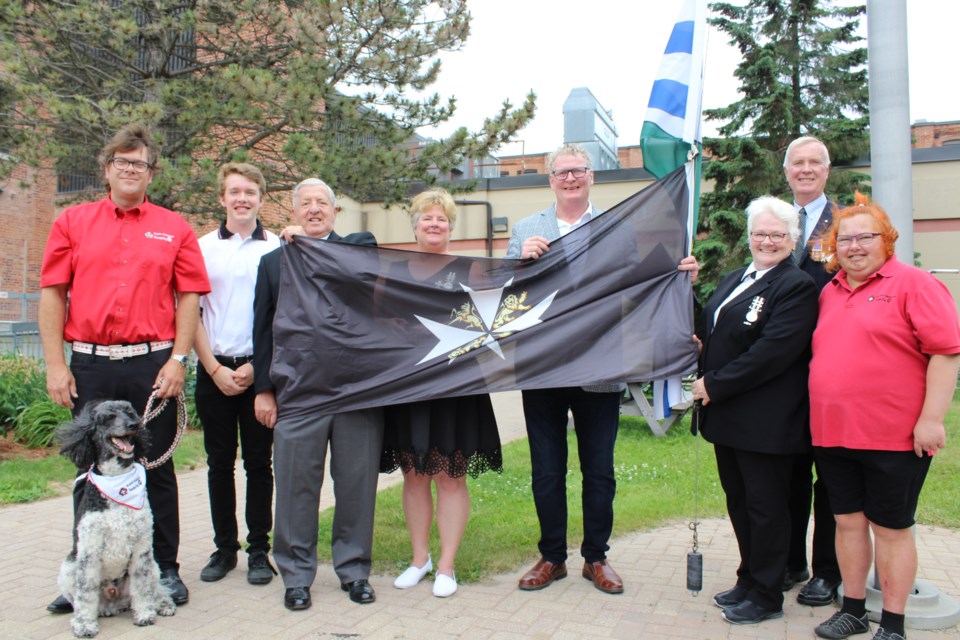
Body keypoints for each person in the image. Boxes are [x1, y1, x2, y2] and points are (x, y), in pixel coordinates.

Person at [505, 142, 698, 594]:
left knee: (599, 470)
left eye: (578, 171)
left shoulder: (615, 228)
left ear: (592, 177)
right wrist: (519, 263)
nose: (570, 178)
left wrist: (678, 273)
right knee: (547, 470)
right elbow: (508, 297)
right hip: (543, 367)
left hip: (599, 365)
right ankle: (552, 557)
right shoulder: (525, 229)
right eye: (562, 172)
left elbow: (636, 287)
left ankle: (596, 557)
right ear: (549, 179)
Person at [40, 124, 210, 612]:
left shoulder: (173, 227)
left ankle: (166, 571)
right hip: (91, 365)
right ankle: (82, 576)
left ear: (151, 172)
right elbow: (53, 293)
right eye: (122, 161)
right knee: (89, 472)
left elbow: (190, 296)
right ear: (107, 169)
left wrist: (179, 359)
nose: (131, 170)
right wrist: (56, 363)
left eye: (140, 163)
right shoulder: (71, 223)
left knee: (154, 467)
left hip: (152, 365)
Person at [809, 194, 960, 640]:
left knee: (891, 529)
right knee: (848, 522)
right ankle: (853, 609)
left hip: (894, 436)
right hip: (833, 433)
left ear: (887, 240)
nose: (855, 246)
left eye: (865, 237)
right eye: (846, 239)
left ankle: (893, 623)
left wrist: (932, 419)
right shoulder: (830, 291)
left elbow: (945, 353)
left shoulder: (914, 284)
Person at [253, 178, 384, 611]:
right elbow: (264, 331)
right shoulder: (273, 264)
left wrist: (311, 248)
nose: (313, 209)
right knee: (295, 488)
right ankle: (296, 575)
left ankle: (354, 570)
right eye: (305, 203)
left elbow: (367, 243)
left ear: (333, 212)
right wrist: (264, 390)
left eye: (321, 203)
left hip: (355, 392)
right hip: (298, 395)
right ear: (293, 213)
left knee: (356, 486)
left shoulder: (356, 251)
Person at [691, 196, 819, 625]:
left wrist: (714, 383)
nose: (767, 241)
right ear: (750, 237)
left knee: (767, 509)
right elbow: (715, 328)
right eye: (760, 233)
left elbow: (772, 353)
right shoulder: (735, 278)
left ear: (793, 239)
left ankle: (767, 594)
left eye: (777, 235)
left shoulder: (796, 286)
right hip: (728, 418)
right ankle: (748, 578)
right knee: (741, 503)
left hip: (766, 420)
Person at [380, 188, 503, 598]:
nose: (434, 224)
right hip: (408, 385)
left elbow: (495, 315)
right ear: (414, 225)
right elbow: (376, 317)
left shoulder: (472, 268)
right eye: (426, 218)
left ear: (451, 226)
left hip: (456, 387)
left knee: (450, 476)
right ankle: (420, 559)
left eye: (442, 218)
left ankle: (447, 565)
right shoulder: (391, 268)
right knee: (414, 475)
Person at [194, 163, 280, 585]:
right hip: (213, 370)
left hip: (259, 372)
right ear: (222, 198)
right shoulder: (201, 247)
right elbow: (187, 313)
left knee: (259, 465)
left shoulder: (279, 247)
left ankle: (260, 550)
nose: (242, 198)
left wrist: (255, 369)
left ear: (261, 199)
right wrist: (212, 367)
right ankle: (225, 548)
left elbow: (286, 317)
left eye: (250, 191)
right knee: (218, 464)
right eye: (234, 191)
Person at [782, 135, 843, 606]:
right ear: (787, 172)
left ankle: (827, 570)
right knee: (790, 470)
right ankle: (789, 560)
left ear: (827, 170)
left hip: (831, 368)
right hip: (784, 373)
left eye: (813, 162)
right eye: (797, 163)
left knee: (831, 475)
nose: (805, 169)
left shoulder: (845, 225)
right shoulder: (776, 223)